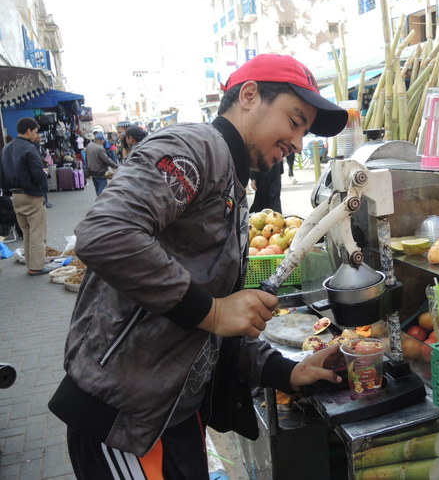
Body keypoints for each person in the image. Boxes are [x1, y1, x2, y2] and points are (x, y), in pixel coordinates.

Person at [48, 53, 348, 479]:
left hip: (174, 414)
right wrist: (214, 311)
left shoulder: (232, 184)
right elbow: (105, 232)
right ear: (249, 96)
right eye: (295, 121)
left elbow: (219, 323)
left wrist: (288, 370)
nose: (299, 143)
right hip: (126, 421)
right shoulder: (195, 147)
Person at [0, 117, 49, 275]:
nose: (36, 135)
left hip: (15, 196)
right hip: (31, 195)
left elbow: (1, 175)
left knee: (27, 232)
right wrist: (45, 174)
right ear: (28, 131)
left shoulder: (6, 148)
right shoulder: (30, 148)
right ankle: (36, 267)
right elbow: (37, 174)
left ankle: (30, 263)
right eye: (35, 132)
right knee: (37, 232)